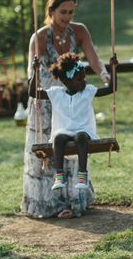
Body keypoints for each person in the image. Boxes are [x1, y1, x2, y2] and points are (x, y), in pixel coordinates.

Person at [22, 0, 112, 219]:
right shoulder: (40, 36)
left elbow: (92, 56)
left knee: (76, 145)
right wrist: (34, 75)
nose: (67, 16)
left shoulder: (79, 31)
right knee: (51, 150)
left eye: (71, 12)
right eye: (63, 12)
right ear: (51, 11)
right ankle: (50, 202)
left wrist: (103, 72)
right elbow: (31, 74)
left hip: (73, 98)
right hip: (48, 98)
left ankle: (74, 200)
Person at [29, 52, 117, 191]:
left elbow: (111, 89)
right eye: (80, 79)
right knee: (58, 138)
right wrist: (36, 71)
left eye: (84, 78)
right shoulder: (56, 93)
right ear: (66, 81)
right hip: (64, 130)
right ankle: (59, 176)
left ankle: (82, 176)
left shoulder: (88, 91)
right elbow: (34, 93)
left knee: (81, 136)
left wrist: (113, 68)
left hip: (84, 131)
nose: (84, 81)